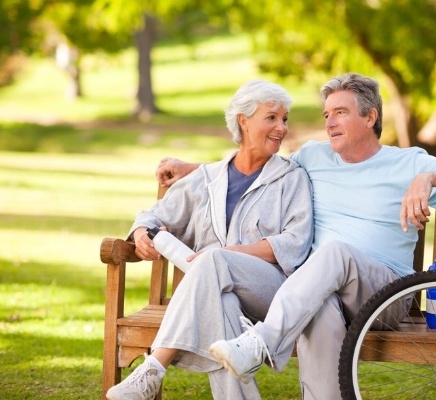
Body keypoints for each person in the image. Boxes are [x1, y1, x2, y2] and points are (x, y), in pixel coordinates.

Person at [157, 73, 436, 399]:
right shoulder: (315, 157)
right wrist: (192, 168)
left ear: (370, 116)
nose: (330, 122)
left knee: (335, 253)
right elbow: (258, 163)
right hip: (322, 290)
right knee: (318, 306)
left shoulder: (407, 162)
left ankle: (262, 342)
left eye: (341, 113)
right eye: (327, 115)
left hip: (383, 296)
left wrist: (427, 178)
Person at [106, 79, 314, 400]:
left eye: (284, 118)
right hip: (214, 295)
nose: (282, 127)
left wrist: (231, 254)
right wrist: (139, 233)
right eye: (271, 117)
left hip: (271, 294)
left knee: (215, 258)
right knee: (221, 307)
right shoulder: (206, 179)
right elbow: (153, 216)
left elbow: (294, 243)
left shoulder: (291, 177)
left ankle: (153, 369)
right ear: (243, 121)